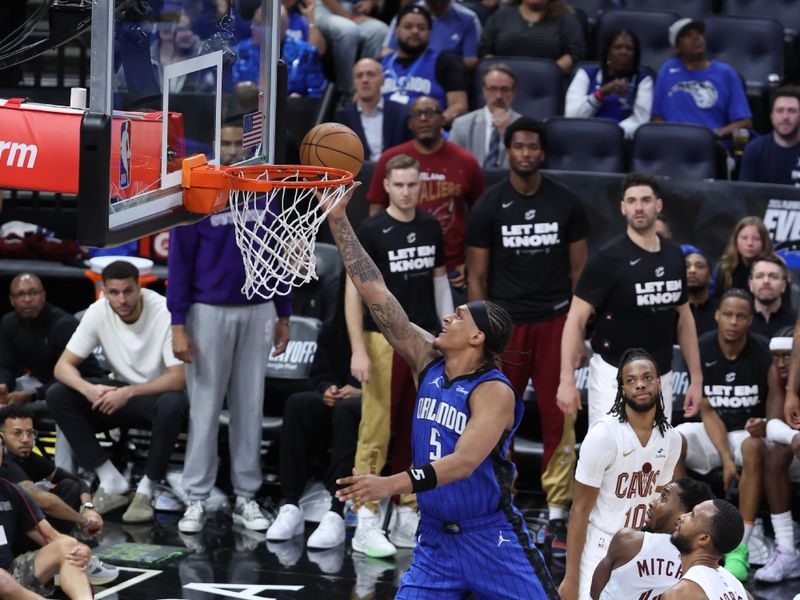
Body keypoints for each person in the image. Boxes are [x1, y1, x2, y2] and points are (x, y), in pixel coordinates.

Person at [326, 183, 559, 600]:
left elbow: (464, 463)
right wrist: (339, 220)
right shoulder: (426, 359)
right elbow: (375, 290)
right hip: (435, 542)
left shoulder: (494, 392)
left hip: (491, 538)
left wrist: (388, 485)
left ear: (477, 339)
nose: (449, 315)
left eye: (462, 315)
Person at [466, 117, 589, 543]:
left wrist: (579, 332)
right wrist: (484, 333)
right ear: (508, 150)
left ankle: (557, 511)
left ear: (542, 152)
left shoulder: (566, 202)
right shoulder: (488, 205)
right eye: (518, 146)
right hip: (507, 326)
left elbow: (580, 273)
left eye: (533, 147)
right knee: (499, 416)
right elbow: (476, 278)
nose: (525, 153)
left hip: (556, 320)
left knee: (561, 416)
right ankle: (502, 502)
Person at [167, 167, 292, 535]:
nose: (236, 152)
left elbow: (279, 252)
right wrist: (178, 323)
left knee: (250, 407)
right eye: (229, 143)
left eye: (241, 142)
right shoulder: (198, 196)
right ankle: (195, 496)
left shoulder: (265, 190)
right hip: (208, 310)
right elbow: (180, 262)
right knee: (204, 409)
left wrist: (284, 311)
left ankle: (246, 496)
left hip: (260, 307)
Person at [347, 154, 454, 557]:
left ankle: (409, 509)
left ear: (420, 187)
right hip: (382, 342)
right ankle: (366, 515)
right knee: (374, 429)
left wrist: (447, 335)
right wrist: (358, 347)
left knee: (419, 427)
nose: (407, 191)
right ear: (387, 186)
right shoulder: (372, 231)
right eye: (400, 185)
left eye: (413, 185)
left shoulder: (430, 226)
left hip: (425, 342)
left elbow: (440, 281)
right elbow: (352, 293)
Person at [46, 260, 188, 523]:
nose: (121, 299)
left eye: (128, 291)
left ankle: (146, 489)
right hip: (123, 394)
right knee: (59, 394)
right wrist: (87, 389)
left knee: (172, 403)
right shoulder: (98, 311)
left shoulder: (163, 311)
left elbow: (178, 379)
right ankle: (110, 481)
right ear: (104, 291)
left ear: (139, 288)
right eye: (114, 292)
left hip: (158, 394)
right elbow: (62, 367)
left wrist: (129, 392)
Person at [557, 172, 703, 428]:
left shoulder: (675, 255)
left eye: (646, 200)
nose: (639, 207)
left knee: (655, 461)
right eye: (632, 201)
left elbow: (684, 318)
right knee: (608, 459)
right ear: (623, 208)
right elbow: (575, 319)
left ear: (658, 205)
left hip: (660, 374)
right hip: (613, 372)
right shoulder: (606, 258)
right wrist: (566, 379)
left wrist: (697, 378)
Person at [558, 348, 683, 600]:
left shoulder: (671, 438)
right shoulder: (603, 435)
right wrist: (571, 577)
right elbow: (579, 510)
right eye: (631, 380)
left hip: (642, 545)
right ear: (622, 388)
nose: (640, 385)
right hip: (601, 544)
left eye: (647, 377)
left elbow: (660, 503)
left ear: (659, 382)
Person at [675, 289, 771, 581]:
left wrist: (764, 421)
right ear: (717, 316)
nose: (733, 321)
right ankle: (684, 535)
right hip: (712, 431)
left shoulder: (762, 350)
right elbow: (706, 409)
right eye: (727, 314)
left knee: (754, 446)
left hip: (745, 434)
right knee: (675, 437)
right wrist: (727, 460)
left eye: (740, 316)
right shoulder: (702, 346)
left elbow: (772, 404)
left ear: (750, 320)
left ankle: (740, 547)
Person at [266, 277, 361, 549]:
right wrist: (327, 388)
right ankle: (290, 504)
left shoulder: (388, 329)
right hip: (337, 400)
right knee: (298, 403)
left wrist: (361, 392)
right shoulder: (335, 327)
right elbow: (318, 373)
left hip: (371, 404)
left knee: (347, 410)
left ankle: (336, 509)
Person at [368, 95, 485, 298]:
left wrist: (470, 263)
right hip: (399, 266)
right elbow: (375, 215)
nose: (424, 118)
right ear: (410, 123)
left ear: (442, 119)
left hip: (451, 271)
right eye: (417, 114)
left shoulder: (466, 161)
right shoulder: (390, 159)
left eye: (430, 113)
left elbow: (480, 219)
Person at [0, 405, 119, 586]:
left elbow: (76, 481)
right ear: (1, 437)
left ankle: (64, 559)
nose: (25, 439)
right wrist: (84, 521)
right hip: (9, 546)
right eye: (17, 433)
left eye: (30, 433)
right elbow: (42, 501)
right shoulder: (6, 464)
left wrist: (89, 508)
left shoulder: (28, 458)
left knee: (68, 487)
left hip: (26, 534)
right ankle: (59, 559)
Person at [590, 478, 715, 599]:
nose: (652, 502)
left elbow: (595, 593)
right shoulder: (704, 573)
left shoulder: (628, 540)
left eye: (664, 498)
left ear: (684, 516)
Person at [0, 274, 106, 412]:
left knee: (58, 396)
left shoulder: (63, 325)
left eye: (33, 293)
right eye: (20, 294)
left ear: (43, 296)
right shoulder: (9, 323)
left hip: (81, 386)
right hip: (41, 383)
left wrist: (33, 394)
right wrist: (3, 385)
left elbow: (77, 375)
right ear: (12, 300)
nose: (27, 299)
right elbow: (5, 365)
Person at [652, 18, 752, 141]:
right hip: (673, 145)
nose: (696, 38)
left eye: (698, 34)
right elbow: (656, 117)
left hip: (712, 145)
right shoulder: (667, 70)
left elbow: (744, 123)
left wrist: (716, 135)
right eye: (688, 35)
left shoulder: (726, 73)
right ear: (677, 47)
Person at [0, 474, 94, 599]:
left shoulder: (11, 491)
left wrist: (81, 550)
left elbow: (53, 537)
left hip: (11, 572)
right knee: (2, 581)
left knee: (68, 547)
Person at [755, 326, 800, 582]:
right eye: (777, 356)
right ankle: (788, 551)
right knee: (773, 455)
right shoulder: (776, 373)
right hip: (796, 444)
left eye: (788, 356)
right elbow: (772, 424)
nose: (782, 363)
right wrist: (794, 437)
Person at [380, 5, 468, 127]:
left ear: (429, 32)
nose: (415, 31)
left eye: (421, 28)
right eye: (408, 27)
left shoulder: (446, 62)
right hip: (385, 133)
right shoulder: (378, 64)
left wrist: (435, 125)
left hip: (427, 135)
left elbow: (459, 105)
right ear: (397, 31)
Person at [565, 28, 652, 139]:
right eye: (617, 47)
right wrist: (601, 93)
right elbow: (572, 116)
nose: (623, 52)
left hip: (621, 142)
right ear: (608, 52)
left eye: (629, 48)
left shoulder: (643, 80)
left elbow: (640, 120)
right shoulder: (586, 73)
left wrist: (611, 133)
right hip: (583, 136)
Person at [660, 499, 752, 600]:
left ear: (704, 538)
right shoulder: (743, 593)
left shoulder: (680, 594)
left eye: (692, 516)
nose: (682, 516)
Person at [233, 6, 327, 97]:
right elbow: (232, 90)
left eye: (258, 24)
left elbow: (317, 93)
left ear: (277, 28)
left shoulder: (306, 53)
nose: (252, 27)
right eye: (253, 21)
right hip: (249, 110)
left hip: (294, 111)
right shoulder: (241, 51)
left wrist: (301, 101)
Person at [334, 58, 412, 162]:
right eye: (359, 76)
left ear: (383, 80)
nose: (365, 80)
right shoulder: (341, 119)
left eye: (371, 74)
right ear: (354, 82)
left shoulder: (402, 114)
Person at [478, 0, 584, 74]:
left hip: (547, 86)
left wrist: (548, 73)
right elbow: (485, 52)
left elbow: (574, 53)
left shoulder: (565, 20)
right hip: (502, 84)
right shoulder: (499, 17)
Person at [449, 63, 521, 168]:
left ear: (514, 92)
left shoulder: (524, 127)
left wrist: (508, 135)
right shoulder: (461, 125)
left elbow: (523, 170)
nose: (498, 96)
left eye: (504, 89)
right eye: (492, 89)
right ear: (484, 91)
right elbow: (452, 164)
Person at [313, 0, 388, 99]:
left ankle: (368, 85)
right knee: (348, 30)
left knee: (379, 30)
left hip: (352, 12)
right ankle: (348, 93)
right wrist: (351, 18)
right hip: (326, 11)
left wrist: (370, 2)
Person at [382, 0, 482, 70]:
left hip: (448, 76)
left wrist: (438, 69)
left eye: (421, 27)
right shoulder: (406, 15)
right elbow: (387, 53)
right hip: (408, 71)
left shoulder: (468, 18)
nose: (415, 31)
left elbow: (470, 60)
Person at [740, 85, 800, 187]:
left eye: (792, 111)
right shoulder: (754, 150)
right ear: (771, 115)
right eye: (780, 110)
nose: (785, 117)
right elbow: (746, 196)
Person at [713, 216, 774, 299]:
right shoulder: (725, 268)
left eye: (756, 239)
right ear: (735, 241)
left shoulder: (775, 270)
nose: (749, 243)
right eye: (744, 238)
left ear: (764, 242)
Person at [748, 253, 796, 338]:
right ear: (750, 284)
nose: (766, 281)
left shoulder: (796, 324)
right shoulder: (739, 322)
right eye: (759, 276)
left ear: (783, 285)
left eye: (774, 277)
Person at [683, 245, 718, 337]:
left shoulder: (720, 310)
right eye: (687, 266)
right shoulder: (673, 311)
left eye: (700, 266)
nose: (692, 270)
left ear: (710, 276)